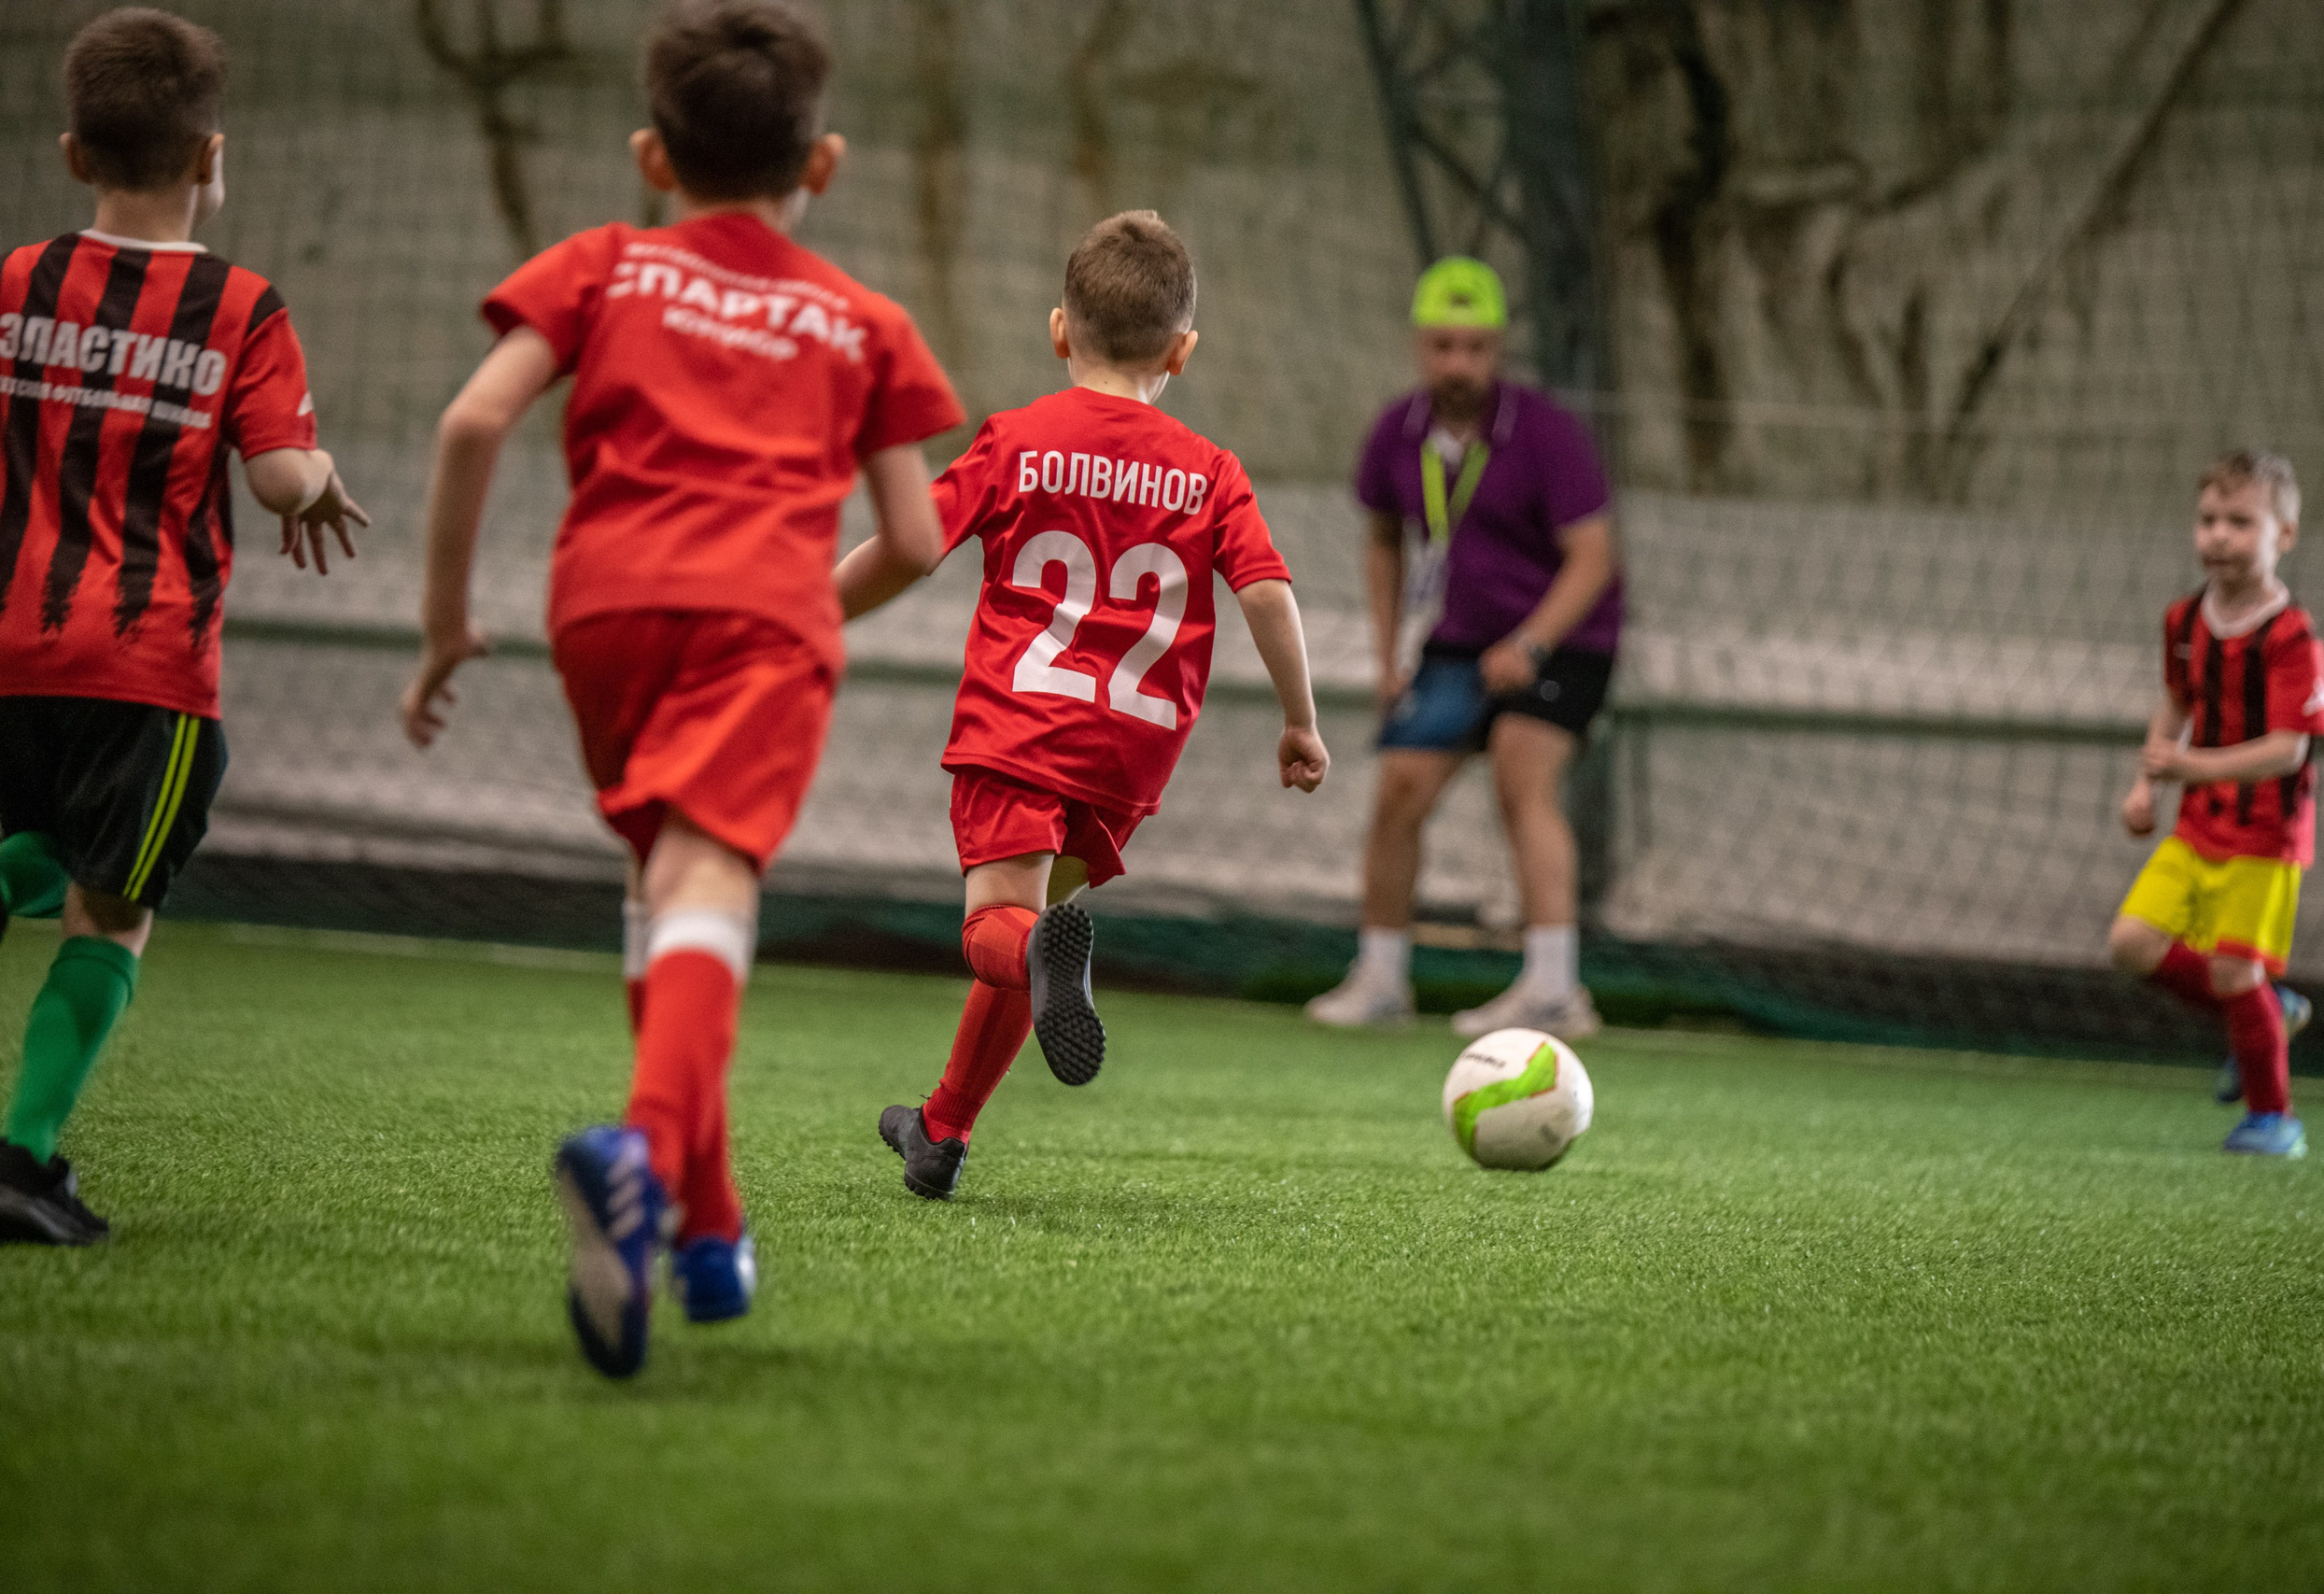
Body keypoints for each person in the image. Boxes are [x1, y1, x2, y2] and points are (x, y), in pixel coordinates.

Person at [398, 0, 961, 1375]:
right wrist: (793, 614)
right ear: (818, 165)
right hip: (758, 621)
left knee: (669, 887)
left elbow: (474, 417)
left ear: (654, 155)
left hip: (600, 612)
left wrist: (444, 623)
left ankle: (713, 1229)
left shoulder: (602, 265)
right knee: (712, 882)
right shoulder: (861, 319)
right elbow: (922, 534)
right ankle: (648, 1163)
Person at [839, 210, 1329, 1202]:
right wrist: (1299, 719)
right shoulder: (1210, 471)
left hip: (1019, 729)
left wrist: (801, 615)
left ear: (1059, 329)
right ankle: (940, 1132)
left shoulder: (1018, 442)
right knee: (1042, 928)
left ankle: (1037, 972)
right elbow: (1267, 591)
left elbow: (906, 544)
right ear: (1182, 353)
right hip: (1128, 751)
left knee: (999, 930)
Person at [0, 8, 367, 1246]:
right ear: (212, 156)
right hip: (145, 666)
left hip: (10, 651)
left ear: (71, 153)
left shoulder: (14, 284)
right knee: (112, 906)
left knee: (36, 846)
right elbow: (274, 480)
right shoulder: (239, 305)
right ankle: (20, 1156)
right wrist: (318, 471)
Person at [1305, 257, 1620, 1039]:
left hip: (1566, 641)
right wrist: (1387, 660)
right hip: (1458, 644)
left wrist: (1532, 644)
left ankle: (1554, 990)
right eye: (1444, 346)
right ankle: (1381, 977)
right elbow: (1384, 542)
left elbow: (1594, 557)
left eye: (1475, 347)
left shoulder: (1547, 433)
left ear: (1498, 349)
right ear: (1421, 346)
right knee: (1400, 787)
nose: (1459, 363)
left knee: (1522, 771)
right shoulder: (1396, 433)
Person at [2109, 450, 2324, 1159]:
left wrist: (2189, 766)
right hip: (2200, 824)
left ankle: (2275, 1120)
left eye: (2242, 521)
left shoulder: (2293, 635)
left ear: (2284, 536)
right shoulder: (2184, 618)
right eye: (2208, 519)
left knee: (2237, 971)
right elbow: (2177, 700)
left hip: (2268, 832)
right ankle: (2267, 1011)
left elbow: (2289, 747)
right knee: (2133, 944)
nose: (2220, 535)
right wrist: (2147, 783)